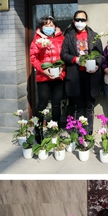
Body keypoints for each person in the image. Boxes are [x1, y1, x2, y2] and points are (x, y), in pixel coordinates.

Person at [60, 10, 104, 132]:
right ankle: (79, 133)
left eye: (82, 20)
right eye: (78, 20)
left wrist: (96, 65)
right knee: (78, 107)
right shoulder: (69, 36)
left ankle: (88, 133)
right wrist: (75, 59)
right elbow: (63, 54)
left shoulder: (94, 36)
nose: (80, 22)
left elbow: (100, 55)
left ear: (87, 21)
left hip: (91, 76)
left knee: (89, 107)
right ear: (73, 21)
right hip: (75, 76)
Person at [29, 15, 66, 143]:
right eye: (46, 25)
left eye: (51, 25)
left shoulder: (61, 38)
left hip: (58, 77)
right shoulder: (37, 39)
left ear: (55, 26)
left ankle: (55, 131)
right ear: (41, 27)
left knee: (56, 105)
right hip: (43, 77)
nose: (49, 27)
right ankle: (38, 132)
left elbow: (64, 55)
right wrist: (43, 69)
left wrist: (62, 68)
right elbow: (33, 58)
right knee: (42, 105)